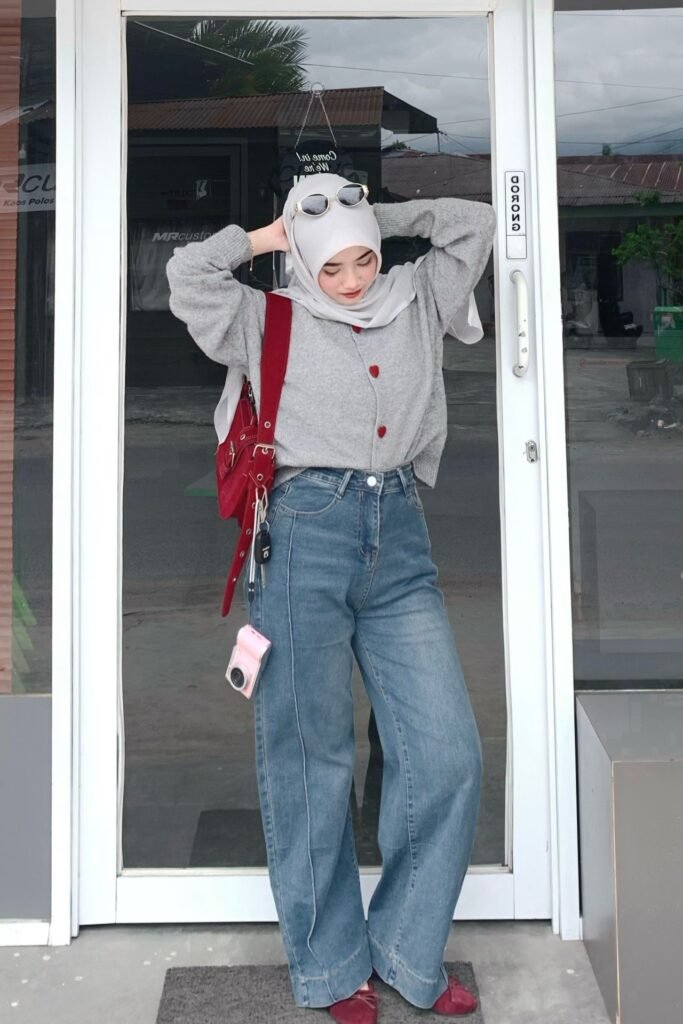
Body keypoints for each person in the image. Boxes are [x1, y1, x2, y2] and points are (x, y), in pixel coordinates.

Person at [166, 173, 496, 1024]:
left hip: (400, 540)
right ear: (304, 262)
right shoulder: (265, 317)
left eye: (362, 260)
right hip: (302, 536)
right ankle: (331, 966)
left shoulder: (416, 297)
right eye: (331, 265)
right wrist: (269, 236)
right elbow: (186, 276)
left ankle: (406, 949)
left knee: (446, 754)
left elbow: (472, 224)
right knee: (311, 761)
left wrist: (370, 215)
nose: (349, 279)